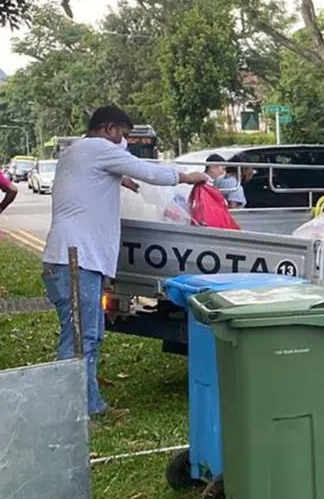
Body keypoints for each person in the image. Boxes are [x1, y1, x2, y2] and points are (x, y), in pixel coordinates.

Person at [42, 105, 210, 417]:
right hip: (76, 260)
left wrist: (122, 181)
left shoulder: (76, 152)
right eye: (122, 134)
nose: (124, 142)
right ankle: (70, 413)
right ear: (108, 129)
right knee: (80, 337)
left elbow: (90, 180)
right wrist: (188, 177)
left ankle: (89, 406)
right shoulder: (99, 148)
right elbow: (150, 172)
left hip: (70, 259)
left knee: (86, 334)